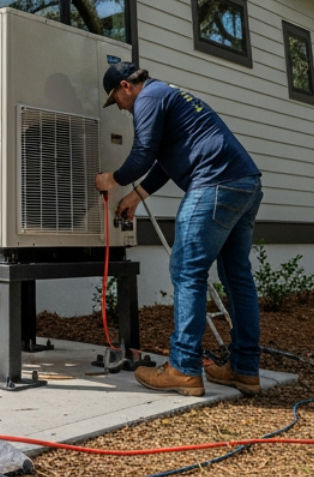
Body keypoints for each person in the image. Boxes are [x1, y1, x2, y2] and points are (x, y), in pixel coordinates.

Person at [94, 61, 263, 397]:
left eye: (116, 100)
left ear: (125, 86)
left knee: (188, 272)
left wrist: (111, 179)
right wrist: (136, 196)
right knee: (237, 278)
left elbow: (143, 154)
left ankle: (184, 369)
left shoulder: (147, 99)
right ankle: (245, 369)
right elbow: (164, 162)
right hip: (245, 183)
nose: (121, 108)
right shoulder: (166, 94)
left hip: (214, 184)